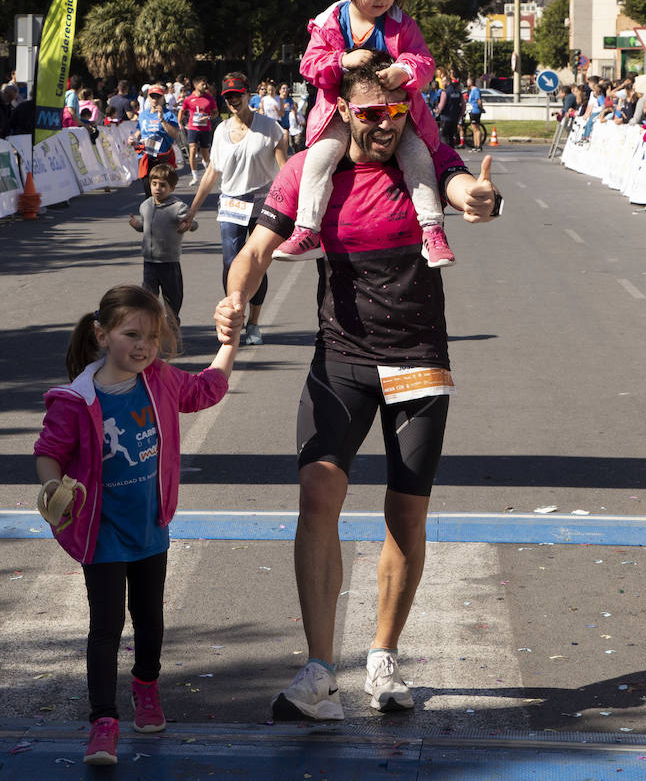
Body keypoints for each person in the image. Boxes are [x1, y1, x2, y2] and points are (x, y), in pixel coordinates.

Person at [213, 52, 501, 721]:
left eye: (396, 113)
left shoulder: (418, 160)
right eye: (370, 115)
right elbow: (254, 252)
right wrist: (233, 300)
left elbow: (464, 190)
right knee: (318, 492)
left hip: (417, 358)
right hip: (340, 355)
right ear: (342, 112)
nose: (386, 127)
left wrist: (480, 200)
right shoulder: (308, 170)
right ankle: (318, 670)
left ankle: (384, 655)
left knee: (406, 514)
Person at [33, 283, 240, 767]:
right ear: (102, 335)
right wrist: (51, 490)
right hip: (100, 532)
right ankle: (103, 722)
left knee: (149, 619)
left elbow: (206, 390)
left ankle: (146, 687)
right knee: (105, 628)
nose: (143, 345)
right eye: (131, 334)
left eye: (152, 336)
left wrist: (229, 345)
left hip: (149, 526)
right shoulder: (76, 399)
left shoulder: (161, 380)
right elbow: (49, 452)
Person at [275, 0, 454, 269]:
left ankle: (433, 230)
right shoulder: (330, 22)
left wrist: (404, 70)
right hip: (339, 116)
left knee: (417, 156)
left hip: (396, 114)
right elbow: (309, 66)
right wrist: (341, 61)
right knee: (320, 157)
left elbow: (425, 63)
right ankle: (307, 229)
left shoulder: (402, 25)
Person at [184, 73, 287, 347]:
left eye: (237, 95)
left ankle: (254, 324)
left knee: (257, 265)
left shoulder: (270, 128)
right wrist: (192, 211)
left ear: (248, 95)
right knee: (230, 264)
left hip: (262, 203)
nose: (232, 100)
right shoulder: (220, 130)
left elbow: (284, 169)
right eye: (228, 96)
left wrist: (291, 206)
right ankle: (234, 317)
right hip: (231, 203)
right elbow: (211, 173)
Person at [128, 163, 196, 327]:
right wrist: (136, 225)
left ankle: (172, 324)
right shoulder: (145, 206)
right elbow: (145, 227)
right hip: (150, 263)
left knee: (173, 298)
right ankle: (150, 326)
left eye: (163, 185)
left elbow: (192, 223)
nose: (158, 188)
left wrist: (187, 225)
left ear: (172, 188)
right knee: (148, 298)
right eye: (154, 184)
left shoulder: (177, 207)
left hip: (169, 262)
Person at [130, 85, 181, 198]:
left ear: (163, 98)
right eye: (152, 96)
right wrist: (133, 138)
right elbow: (140, 131)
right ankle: (151, 214)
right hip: (146, 157)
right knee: (148, 192)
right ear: (148, 98)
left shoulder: (169, 114)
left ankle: (162, 214)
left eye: (158, 96)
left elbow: (175, 134)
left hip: (162, 157)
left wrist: (162, 119)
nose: (155, 99)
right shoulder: (143, 115)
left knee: (161, 193)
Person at [177, 75, 218, 186]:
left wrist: (208, 117)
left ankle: (207, 170)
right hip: (193, 128)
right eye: (202, 84)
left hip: (205, 128)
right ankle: (195, 176)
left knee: (205, 153)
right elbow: (182, 110)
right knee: (193, 149)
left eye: (205, 84)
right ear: (196, 85)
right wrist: (180, 122)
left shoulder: (209, 98)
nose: (205, 86)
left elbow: (215, 112)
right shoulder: (189, 99)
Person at [464, 76, 484, 150]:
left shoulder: (475, 90)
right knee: (473, 128)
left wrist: (481, 108)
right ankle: (475, 145)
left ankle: (479, 145)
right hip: (471, 111)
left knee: (476, 129)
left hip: (475, 111)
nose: (467, 82)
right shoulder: (471, 90)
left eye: (468, 81)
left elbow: (478, 100)